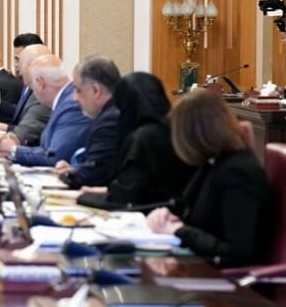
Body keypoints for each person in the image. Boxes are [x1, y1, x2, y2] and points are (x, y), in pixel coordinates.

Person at [147, 91, 275, 267]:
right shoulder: (215, 160)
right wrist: (169, 215)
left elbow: (236, 253)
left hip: (226, 277)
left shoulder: (239, 172)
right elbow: (189, 208)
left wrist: (179, 230)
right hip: (201, 266)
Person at [77, 73, 196, 210]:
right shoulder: (178, 130)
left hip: (149, 215)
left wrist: (83, 197)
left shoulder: (143, 139)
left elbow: (126, 197)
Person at [0, 54, 91, 167]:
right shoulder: (64, 100)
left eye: (32, 87)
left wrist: (13, 150)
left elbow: (55, 156)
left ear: (40, 83)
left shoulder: (72, 105)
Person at [56, 55, 121, 188]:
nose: (74, 98)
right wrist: (76, 169)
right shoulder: (111, 113)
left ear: (96, 90)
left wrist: (67, 175)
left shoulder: (110, 121)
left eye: (78, 90)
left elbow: (91, 177)